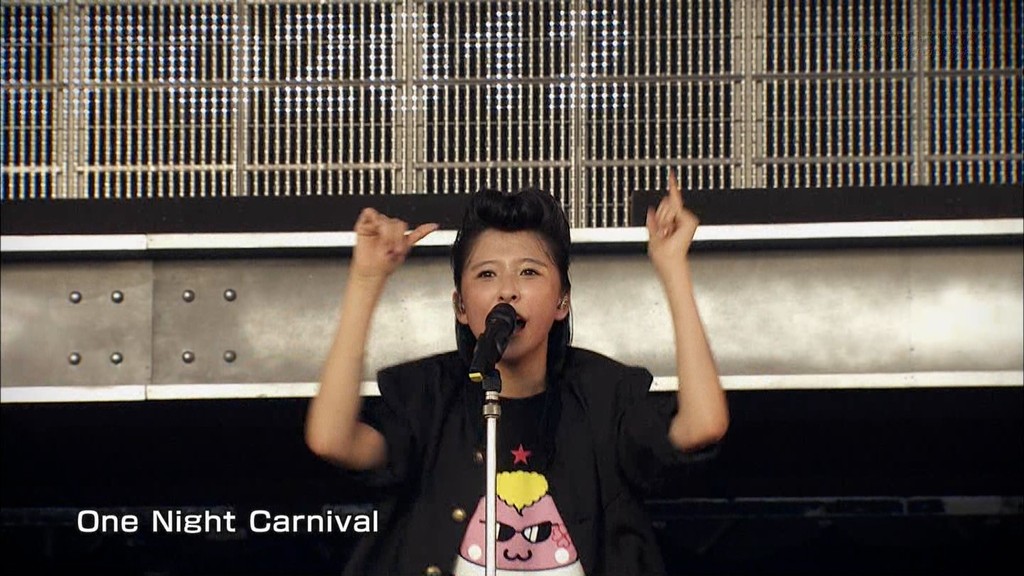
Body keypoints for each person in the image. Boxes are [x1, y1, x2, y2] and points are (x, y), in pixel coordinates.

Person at [305, 171, 729, 576]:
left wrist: (673, 267)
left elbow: (703, 424)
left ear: (562, 301)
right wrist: (366, 279)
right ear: (461, 306)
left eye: (529, 272)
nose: (507, 290)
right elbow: (331, 438)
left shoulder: (602, 397)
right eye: (487, 274)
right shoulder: (429, 397)